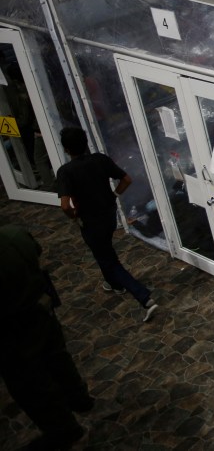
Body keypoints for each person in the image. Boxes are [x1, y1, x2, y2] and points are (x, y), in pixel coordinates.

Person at [0, 225, 92, 450]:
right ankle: (79, 397)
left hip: (12, 329)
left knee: (31, 382)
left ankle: (64, 430)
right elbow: (37, 251)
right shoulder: (14, 235)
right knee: (58, 356)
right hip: (40, 310)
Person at [55, 127, 158, 323]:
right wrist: (114, 195)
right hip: (109, 215)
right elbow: (126, 179)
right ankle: (113, 284)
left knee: (108, 259)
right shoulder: (100, 160)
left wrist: (73, 216)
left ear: (67, 149)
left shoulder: (65, 172)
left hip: (90, 221)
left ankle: (144, 297)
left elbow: (64, 205)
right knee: (103, 251)